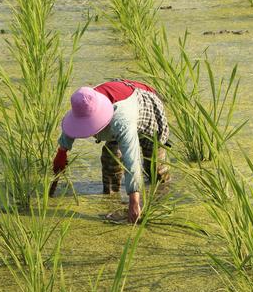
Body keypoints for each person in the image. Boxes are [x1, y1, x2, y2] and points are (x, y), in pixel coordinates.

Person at [52, 80, 170, 223]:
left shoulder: (121, 120)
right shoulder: (83, 101)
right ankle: (111, 201)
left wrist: (134, 201)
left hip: (146, 108)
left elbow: (131, 159)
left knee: (156, 168)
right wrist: (62, 151)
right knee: (110, 160)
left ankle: (160, 201)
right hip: (115, 111)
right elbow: (72, 124)